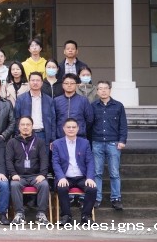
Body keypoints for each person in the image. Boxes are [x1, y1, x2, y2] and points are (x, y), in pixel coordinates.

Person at [90, 80, 127, 211]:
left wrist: (122, 140)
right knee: (97, 172)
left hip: (113, 143)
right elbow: (89, 125)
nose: (103, 91)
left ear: (110, 90)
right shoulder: (93, 106)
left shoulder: (118, 106)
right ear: (97, 91)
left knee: (114, 173)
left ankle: (116, 199)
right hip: (97, 142)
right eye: (100, 88)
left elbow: (123, 125)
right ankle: (96, 198)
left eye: (105, 88)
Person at [53, 118, 97, 225]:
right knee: (62, 188)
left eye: (73, 127)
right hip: (65, 177)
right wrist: (61, 177)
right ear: (64, 129)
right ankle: (66, 216)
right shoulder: (57, 143)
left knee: (92, 188)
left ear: (78, 129)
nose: (71, 129)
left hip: (81, 177)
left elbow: (90, 162)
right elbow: (55, 162)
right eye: (68, 127)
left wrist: (90, 177)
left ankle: (86, 216)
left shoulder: (85, 143)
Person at [6, 116, 50, 224]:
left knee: (44, 184)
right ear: (19, 127)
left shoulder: (39, 142)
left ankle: (41, 214)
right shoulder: (12, 142)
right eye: (23, 125)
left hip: (35, 176)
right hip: (19, 176)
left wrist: (43, 174)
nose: (25, 127)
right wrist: (13, 174)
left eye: (28, 124)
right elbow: (8, 160)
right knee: (14, 185)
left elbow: (44, 159)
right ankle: (19, 214)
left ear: (32, 126)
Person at [14, 72, 56, 144]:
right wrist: (18, 135)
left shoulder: (49, 100)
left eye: (38, 80)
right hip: (26, 134)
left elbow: (53, 120)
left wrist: (52, 139)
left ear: (42, 83)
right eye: (33, 80)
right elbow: (16, 118)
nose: (35, 82)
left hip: (43, 134)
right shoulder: (21, 99)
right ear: (29, 82)